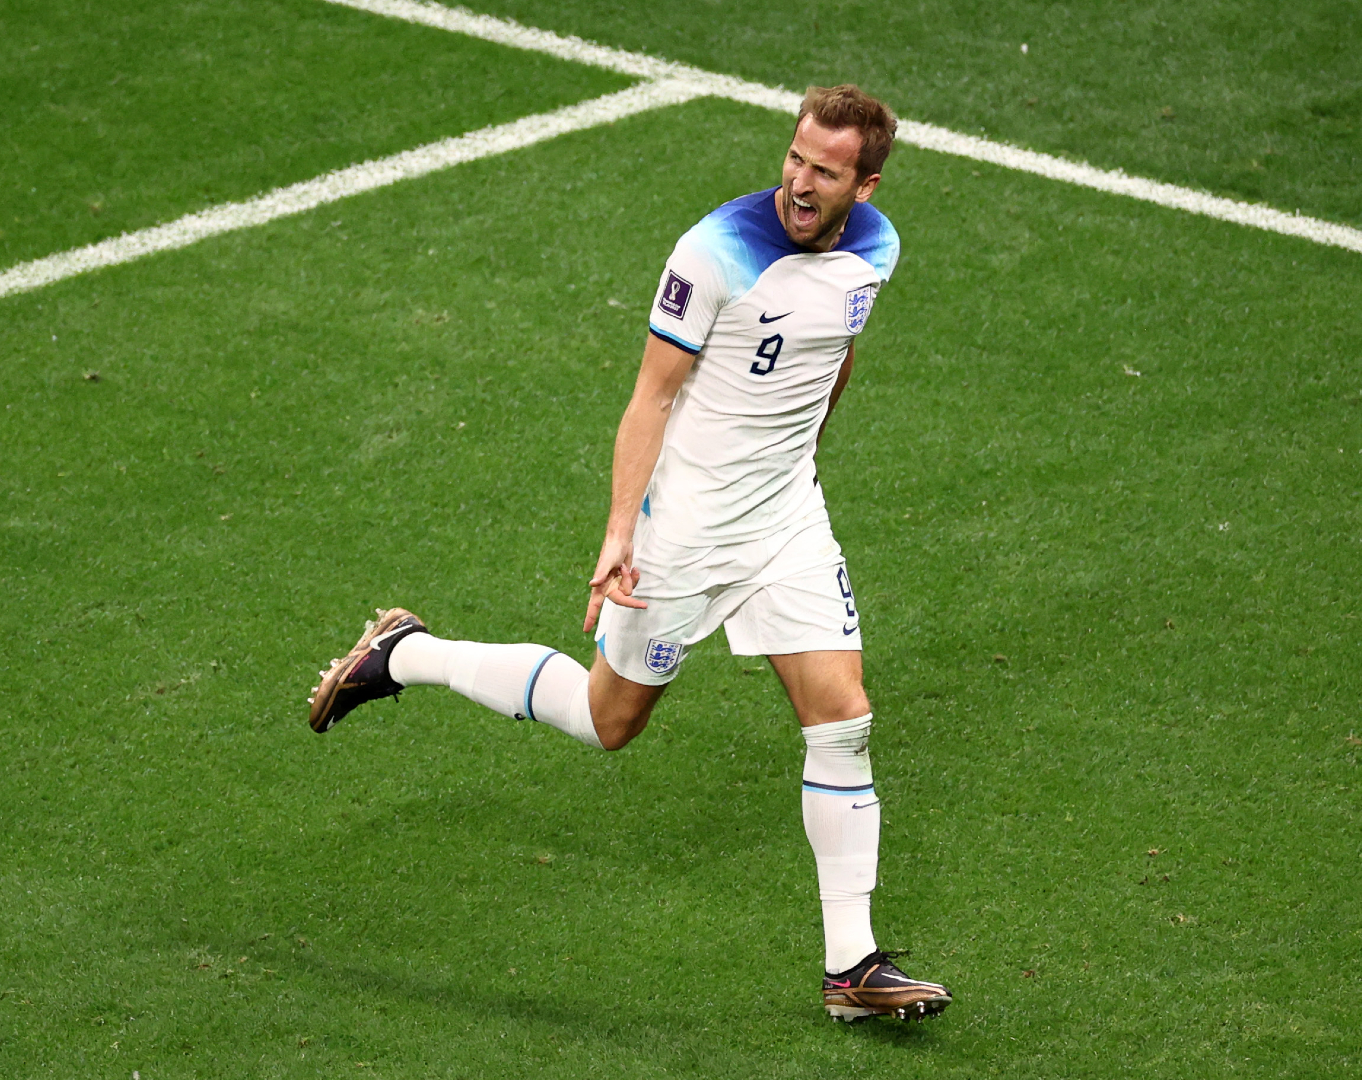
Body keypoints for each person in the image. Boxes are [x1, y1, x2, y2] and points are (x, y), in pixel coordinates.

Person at [305, 84, 951, 1023]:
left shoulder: (876, 250)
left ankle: (851, 969)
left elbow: (833, 351)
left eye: (827, 171)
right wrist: (620, 537)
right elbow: (650, 397)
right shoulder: (713, 254)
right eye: (796, 158)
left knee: (842, 715)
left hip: (785, 523)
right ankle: (405, 652)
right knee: (609, 721)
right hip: (682, 535)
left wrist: (798, 457)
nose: (802, 182)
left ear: (868, 182)